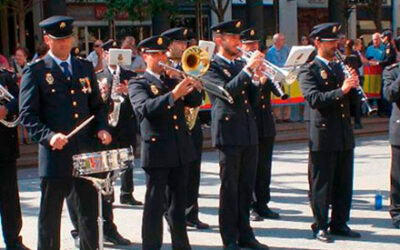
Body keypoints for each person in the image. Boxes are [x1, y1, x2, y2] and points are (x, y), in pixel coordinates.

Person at [19, 15, 112, 250]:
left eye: (67, 38)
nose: (64, 44)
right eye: (59, 40)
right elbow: (28, 116)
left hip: (84, 153)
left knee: (88, 216)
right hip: (55, 155)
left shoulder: (84, 66)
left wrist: (102, 128)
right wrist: (49, 136)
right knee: (50, 218)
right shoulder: (37, 71)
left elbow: (97, 106)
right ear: (47, 40)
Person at [129, 35, 202, 250]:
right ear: (145, 56)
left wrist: (194, 84)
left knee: (178, 206)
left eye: (163, 54)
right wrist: (173, 95)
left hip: (180, 149)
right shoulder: (138, 82)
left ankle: (181, 245)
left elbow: (194, 102)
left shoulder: (172, 79)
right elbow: (145, 110)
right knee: (154, 205)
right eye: (156, 54)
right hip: (158, 151)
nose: (162, 58)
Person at [202, 20, 269, 250]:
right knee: (230, 189)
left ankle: (246, 234)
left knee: (245, 187)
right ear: (219, 40)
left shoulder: (240, 64)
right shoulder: (210, 68)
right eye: (234, 38)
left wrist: (258, 81)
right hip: (229, 134)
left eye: (239, 38)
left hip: (248, 131)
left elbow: (251, 100)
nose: (239, 42)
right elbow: (226, 93)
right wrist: (248, 69)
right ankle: (229, 238)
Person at [299, 22, 361, 243]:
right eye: (331, 42)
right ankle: (320, 225)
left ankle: (340, 223)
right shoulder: (309, 69)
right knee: (321, 183)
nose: (336, 45)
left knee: (344, 182)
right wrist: (342, 89)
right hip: (323, 134)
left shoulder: (338, 67)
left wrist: (354, 87)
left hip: (343, 132)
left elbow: (349, 102)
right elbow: (314, 99)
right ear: (318, 43)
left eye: (337, 41)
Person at [66, 40, 132, 247]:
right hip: (83, 137)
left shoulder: (119, 74)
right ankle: (78, 229)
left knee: (106, 186)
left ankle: (108, 228)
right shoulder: (90, 75)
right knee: (77, 189)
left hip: (107, 136)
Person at [161, 27, 210, 230]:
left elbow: (198, 100)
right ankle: (171, 213)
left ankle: (191, 213)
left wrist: (197, 86)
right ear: (170, 45)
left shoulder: (188, 65)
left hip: (192, 126)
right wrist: (174, 80)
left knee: (193, 173)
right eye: (180, 43)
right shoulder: (162, 67)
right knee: (171, 177)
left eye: (185, 43)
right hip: (171, 129)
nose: (184, 46)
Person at [239, 28, 280, 222]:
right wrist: (255, 77)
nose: (253, 48)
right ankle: (250, 205)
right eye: (249, 44)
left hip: (266, 122)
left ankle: (263, 203)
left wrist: (270, 78)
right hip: (250, 121)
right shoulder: (241, 67)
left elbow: (277, 90)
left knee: (265, 167)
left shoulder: (263, 64)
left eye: (255, 44)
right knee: (251, 168)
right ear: (241, 46)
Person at [0, 67, 30, 250]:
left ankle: (13, 241)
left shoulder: (5, 76)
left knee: (9, 197)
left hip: (4, 147)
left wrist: (5, 108)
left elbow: (21, 99)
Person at [382, 36, 400, 229]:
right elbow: (389, 95)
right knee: (398, 175)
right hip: (399, 128)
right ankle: (397, 212)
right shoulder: (392, 72)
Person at [267, 33, 291, 122]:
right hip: (276, 76)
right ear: (275, 41)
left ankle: (286, 117)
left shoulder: (286, 49)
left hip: (286, 75)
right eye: (281, 40)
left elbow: (290, 59)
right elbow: (273, 63)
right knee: (277, 95)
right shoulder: (270, 51)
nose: (283, 41)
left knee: (288, 95)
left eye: (284, 39)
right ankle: (278, 117)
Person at [343, 39, 363, 129]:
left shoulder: (345, 56)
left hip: (348, 80)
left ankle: (348, 122)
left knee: (347, 102)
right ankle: (357, 122)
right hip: (356, 78)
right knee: (357, 102)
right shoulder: (356, 54)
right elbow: (359, 64)